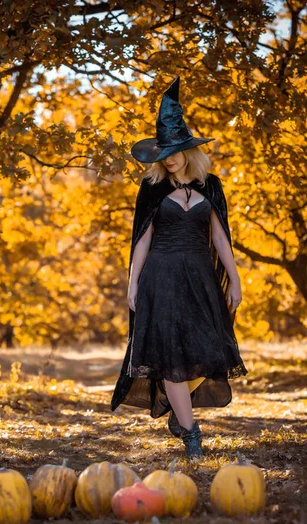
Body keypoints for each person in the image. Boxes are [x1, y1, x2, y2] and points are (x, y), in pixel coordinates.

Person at [110, 77, 248, 459]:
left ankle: (177, 409)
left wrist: (234, 279)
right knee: (170, 356)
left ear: (188, 150)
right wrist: (133, 284)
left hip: (201, 277)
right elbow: (141, 240)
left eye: (174, 150)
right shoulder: (152, 189)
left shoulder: (211, 186)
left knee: (211, 348)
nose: (168, 158)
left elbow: (221, 238)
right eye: (163, 152)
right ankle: (191, 435)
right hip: (161, 277)